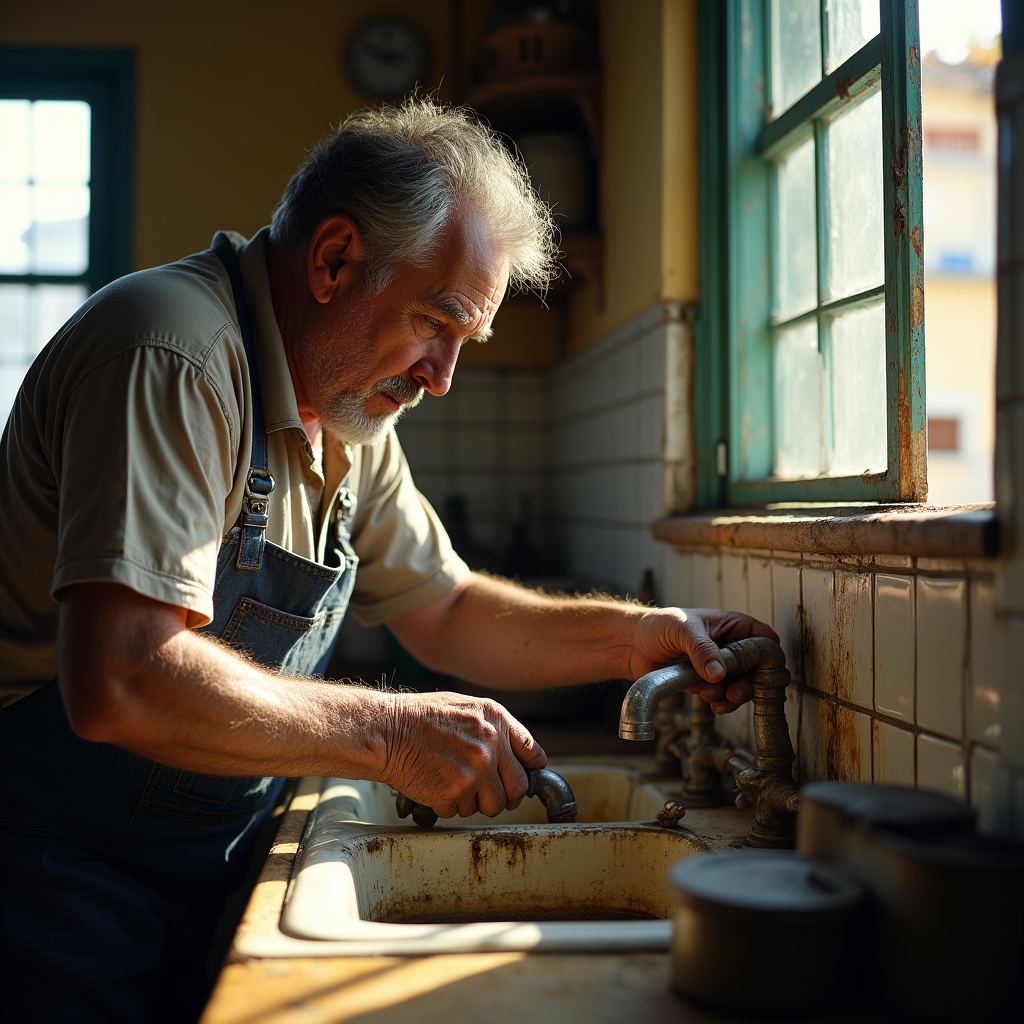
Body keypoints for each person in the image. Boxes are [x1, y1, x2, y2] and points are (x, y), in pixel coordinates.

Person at [0, 96, 777, 1023]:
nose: (442, 377)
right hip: (53, 861)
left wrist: (641, 637)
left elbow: (444, 608)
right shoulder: (173, 352)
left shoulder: (345, 412)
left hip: (214, 848)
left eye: (464, 342)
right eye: (434, 322)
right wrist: (394, 736)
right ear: (333, 260)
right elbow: (122, 679)